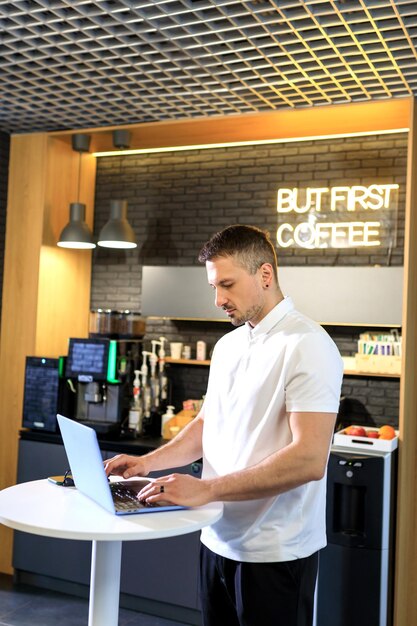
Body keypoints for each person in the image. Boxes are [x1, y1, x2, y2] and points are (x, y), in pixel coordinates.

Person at [105, 224, 344, 626]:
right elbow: (207, 425)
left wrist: (206, 488)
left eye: (228, 285)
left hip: (276, 552)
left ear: (265, 275)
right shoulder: (229, 345)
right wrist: (149, 462)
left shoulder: (309, 345)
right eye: (214, 286)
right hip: (216, 537)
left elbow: (309, 459)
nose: (218, 299)